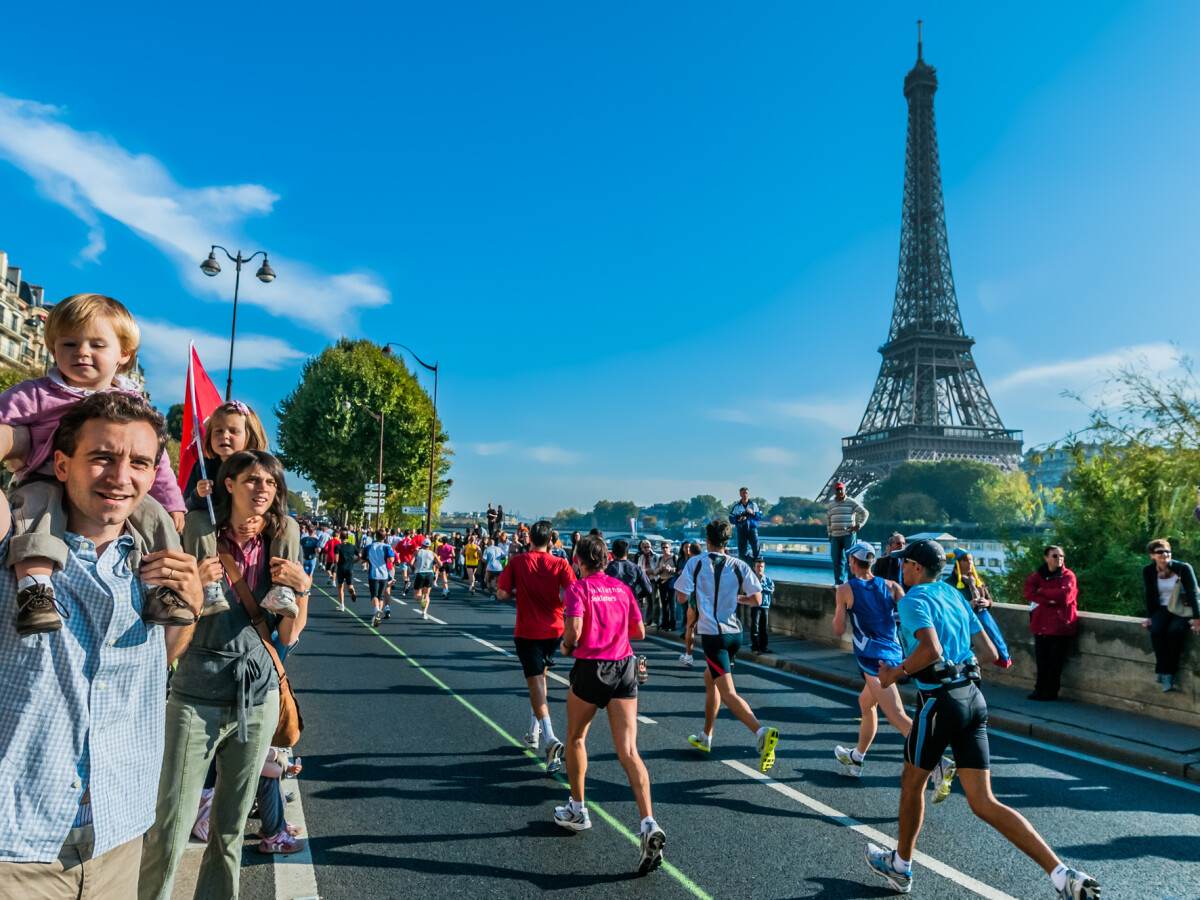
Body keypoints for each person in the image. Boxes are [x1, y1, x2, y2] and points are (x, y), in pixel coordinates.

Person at [0, 393, 203, 896]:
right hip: (16, 841)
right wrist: (23, 435)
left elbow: (159, 660)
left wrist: (191, 608)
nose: (120, 476)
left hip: (118, 830)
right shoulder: (14, 536)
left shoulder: (159, 563)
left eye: (139, 462)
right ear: (63, 464)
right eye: (102, 458)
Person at [864, 539, 1099, 899]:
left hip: (939, 703)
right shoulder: (953, 594)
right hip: (973, 699)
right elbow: (988, 652)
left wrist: (893, 675)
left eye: (903, 563)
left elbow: (930, 649)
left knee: (912, 783)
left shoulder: (913, 600)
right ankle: (1062, 873)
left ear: (914, 566)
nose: (900, 568)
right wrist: (955, 670)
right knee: (984, 802)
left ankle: (900, 867)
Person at [140, 450, 310, 899]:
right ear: (227, 484)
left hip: (257, 696)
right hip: (195, 692)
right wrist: (194, 585)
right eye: (252, 480)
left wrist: (303, 588)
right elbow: (170, 627)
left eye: (270, 484)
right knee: (170, 828)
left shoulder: (279, 543)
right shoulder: (199, 536)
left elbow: (288, 633)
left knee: (230, 832)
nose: (262, 490)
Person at [0, 293, 188, 634]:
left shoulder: (131, 402)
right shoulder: (37, 393)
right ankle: (36, 590)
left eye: (96, 344)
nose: (81, 352)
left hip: (95, 489)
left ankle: (162, 589)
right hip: (43, 480)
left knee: (153, 514)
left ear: (124, 354)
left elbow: (156, 461)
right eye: (69, 344)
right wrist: (15, 442)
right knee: (38, 514)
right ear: (53, 349)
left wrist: (172, 501)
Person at [554, 534, 665, 877]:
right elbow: (640, 632)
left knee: (575, 737)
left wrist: (566, 646)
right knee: (629, 751)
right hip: (625, 667)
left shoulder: (578, 589)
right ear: (606, 559)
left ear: (579, 560)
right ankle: (648, 822)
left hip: (592, 667)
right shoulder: (623, 588)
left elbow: (572, 631)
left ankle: (578, 809)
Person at [831, 543, 956, 800]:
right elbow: (909, 613)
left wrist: (840, 606)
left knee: (897, 715)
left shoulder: (845, 589)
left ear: (852, 563)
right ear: (872, 563)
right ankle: (856, 758)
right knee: (866, 703)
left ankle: (939, 764)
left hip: (872, 660)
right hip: (893, 653)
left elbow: (838, 629)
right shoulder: (892, 586)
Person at [673, 520, 778, 772]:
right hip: (734, 633)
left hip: (713, 636)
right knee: (710, 680)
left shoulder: (695, 563)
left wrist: (699, 596)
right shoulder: (739, 564)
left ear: (707, 539)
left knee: (728, 692)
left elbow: (681, 597)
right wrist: (733, 597)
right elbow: (757, 599)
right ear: (727, 542)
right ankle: (706, 735)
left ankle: (761, 731)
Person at [182, 400, 276, 617]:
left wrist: (263, 520)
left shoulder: (261, 467)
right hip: (214, 532)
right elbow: (187, 505)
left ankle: (282, 587)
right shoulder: (204, 467)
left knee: (288, 525)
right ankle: (210, 586)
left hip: (246, 530)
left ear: (249, 436)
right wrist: (198, 494)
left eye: (233, 431)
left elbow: (275, 505)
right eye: (218, 430)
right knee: (196, 517)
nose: (224, 436)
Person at [496, 520, 576, 773]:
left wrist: (523, 593)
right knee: (540, 679)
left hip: (528, 630)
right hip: (555, 629)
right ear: (551, 541)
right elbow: (572, 593)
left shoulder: (518, 562)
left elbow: (502, 594)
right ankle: (533, 732)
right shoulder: (561, 563)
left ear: (528, 538)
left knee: (534, 682)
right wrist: (558, 604)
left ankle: (550, 736)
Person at [1141, 539, 1200, 692]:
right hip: (1162, 608)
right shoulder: (1148, 571)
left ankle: (1168, 674)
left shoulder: (1183, 568)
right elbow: (1150, 595)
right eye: (1160, 552)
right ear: (1152, 555)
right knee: (1156, 630)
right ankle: (1163, 670)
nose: (1165, 554)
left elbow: (1193, 593)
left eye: (1167, 551)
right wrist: (1149, 617)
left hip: (1182, 608)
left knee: (1174, 631)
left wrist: (1197, 618)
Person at [1025, 546, 1078, 702]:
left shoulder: (1068, 576)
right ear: (1046, 558)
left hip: (1060, 625)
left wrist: (1041, 592)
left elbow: (1065, 595)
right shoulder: (1036, 576)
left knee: (1056, 661)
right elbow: (1029, 593)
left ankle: (1051, 692)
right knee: (1042, 660)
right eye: (1055, 556)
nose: (1059, 559)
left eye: (1061, 556)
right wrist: (1049, 599)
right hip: (1041, 625)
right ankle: (1039, 689)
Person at [827, 481, 869, 585]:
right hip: (835, 536)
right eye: (837, 489)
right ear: (834, 491)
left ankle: (852, 583)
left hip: (848, 535)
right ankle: (839, 583)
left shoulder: (851, 502)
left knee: (852, 560)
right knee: (837, 561)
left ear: (845, 490)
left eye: (841, 489)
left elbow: (865, 512)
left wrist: (858, 525)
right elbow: (829, 521)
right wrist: (829, 534)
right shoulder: (831, 505)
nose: (840, 491)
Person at [677, 542, 701, 666]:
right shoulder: (707, 561)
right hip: (710, 598)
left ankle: (689, 656)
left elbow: (684, 582)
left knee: (690, 626)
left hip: (695, 597)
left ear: (690, 552)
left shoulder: (690, 563)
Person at [366, 529, 395, 626]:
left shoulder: (369, 547)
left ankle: (376, 611)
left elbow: (362, 561)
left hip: (373, 574)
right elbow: (391, 559)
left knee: (374, 595)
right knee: (381, 596)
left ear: (375, 537)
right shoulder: (387, 547)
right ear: (385, 537)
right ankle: (378, 614)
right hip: (384, 574)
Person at [728, 487, 762, 561]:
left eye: (746, 493)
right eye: (743, 493)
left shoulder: (753, 505)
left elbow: (759, 517)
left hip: (752, 529)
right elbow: (731, 518)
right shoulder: (737, 507)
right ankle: (743, 565)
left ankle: (758, 565)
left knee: (756, 548)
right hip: (741, 529)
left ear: (748, 494)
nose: (745, 495)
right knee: (742, 550)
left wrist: (752, 513)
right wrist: (738, 520)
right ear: (740, 494)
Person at [749, 557, 774, 653]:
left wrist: (760, 586)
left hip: (765, 606)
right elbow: (751, 590)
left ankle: (764, 647)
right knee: (755, 627)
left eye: (762, 567)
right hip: (755, 605)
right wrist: (761, 587)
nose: (760, 568)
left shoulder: (768, 579)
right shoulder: (751, 579)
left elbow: (771, 590)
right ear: (754, 568)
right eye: (758, 566)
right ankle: (755, 647)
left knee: (764, 628)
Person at [653, 540, 677, 630]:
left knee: (672, 604)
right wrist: (660, 569)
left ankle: (672, 624)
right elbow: (655, 571)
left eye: (667, 547)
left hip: (671, 582)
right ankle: (665, 623)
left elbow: (678, 570)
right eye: (663, 548)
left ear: (669, 548)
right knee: (664, 604)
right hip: (662, 581)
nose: (665, 549)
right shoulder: (660, 559)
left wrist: (671, 569)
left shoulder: (674, 558)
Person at [413, 538, 437, 619]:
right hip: (429, 573)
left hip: (419, 573)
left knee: (416, 596)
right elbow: (440, 564)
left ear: (422, 545)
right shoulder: (433, 553)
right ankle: (424, 612)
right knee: (427, 595)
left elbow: (410, 562)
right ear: (429, 546)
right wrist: (434, 566)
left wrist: (414, 566)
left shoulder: (417, 552)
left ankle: (421, 596)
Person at [334, 529, 359, 610]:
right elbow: (360, 556)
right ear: (348, 538)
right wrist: (354, 561)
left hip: (341, 568)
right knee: (349, 587)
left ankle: (342, 605)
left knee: (340, 587)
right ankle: (353, 592)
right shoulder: (352, 547)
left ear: (340, 538)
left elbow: (336, 559)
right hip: (350, 568)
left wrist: (334, 565)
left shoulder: (338, 547)